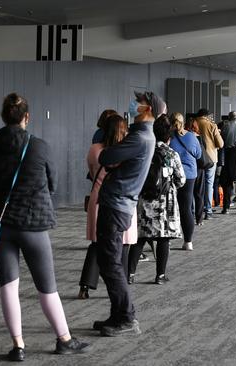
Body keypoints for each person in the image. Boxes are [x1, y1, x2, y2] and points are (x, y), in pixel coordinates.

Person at [0, 93, 91, 360]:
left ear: (3, 116)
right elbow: (52, 182)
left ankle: (18, 345)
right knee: (46, 286)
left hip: (1, 224)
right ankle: (64, 338)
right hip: (33, 224)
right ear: (27, 117)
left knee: (8, 285)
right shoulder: (38, 146)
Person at [94, 91, 162, 336]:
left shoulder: (140, 138)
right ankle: (118, 314)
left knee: (110, 263)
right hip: (119, 203)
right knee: (107, 261)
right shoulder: (141, 136)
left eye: (139, 103)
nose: (134, 104)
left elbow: (105, 155)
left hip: (116, 205)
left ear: (148, 110)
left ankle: (126, 316)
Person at [79, 115, 137, 299]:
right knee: (125, 243)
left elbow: (91, 171)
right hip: (122, 199)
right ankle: (124, 284)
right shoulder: (126, 151)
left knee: (97, 243)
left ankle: (85, 286)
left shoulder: (95, 149)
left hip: (98, 195)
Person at [128, 114, 185, 284]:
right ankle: (160, 275)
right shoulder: (171, 154)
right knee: (163, 238)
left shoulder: (145, 152)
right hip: (165, 202)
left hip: (145, 200)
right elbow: (181, 179)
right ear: (169, 136)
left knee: (140, 238)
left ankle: (129, 274)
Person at [169, 112, 202, 250]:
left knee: (170, 207)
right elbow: (199, 154)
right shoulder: (191, 137)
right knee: (186, 208)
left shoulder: (168, 137)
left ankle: (167, 239)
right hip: (189, 175)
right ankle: (188, 242)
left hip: (171, 175)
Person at [196, 108, 224, 220]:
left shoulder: (193, 123)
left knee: (197, 184)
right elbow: (220, 144)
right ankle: (208, 210)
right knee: (208, 184)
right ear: (206, 116)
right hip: (210, 158)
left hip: (196, 158)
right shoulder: (211, 125)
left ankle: (197, 209)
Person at [185, 117, 208, 224]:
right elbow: (203, 152)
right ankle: (199, 219)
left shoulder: (183, 137)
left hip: (187, 168)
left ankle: (189, 214)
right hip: (199, 168)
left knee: (188, 194)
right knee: (199, 194)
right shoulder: (199, 138)